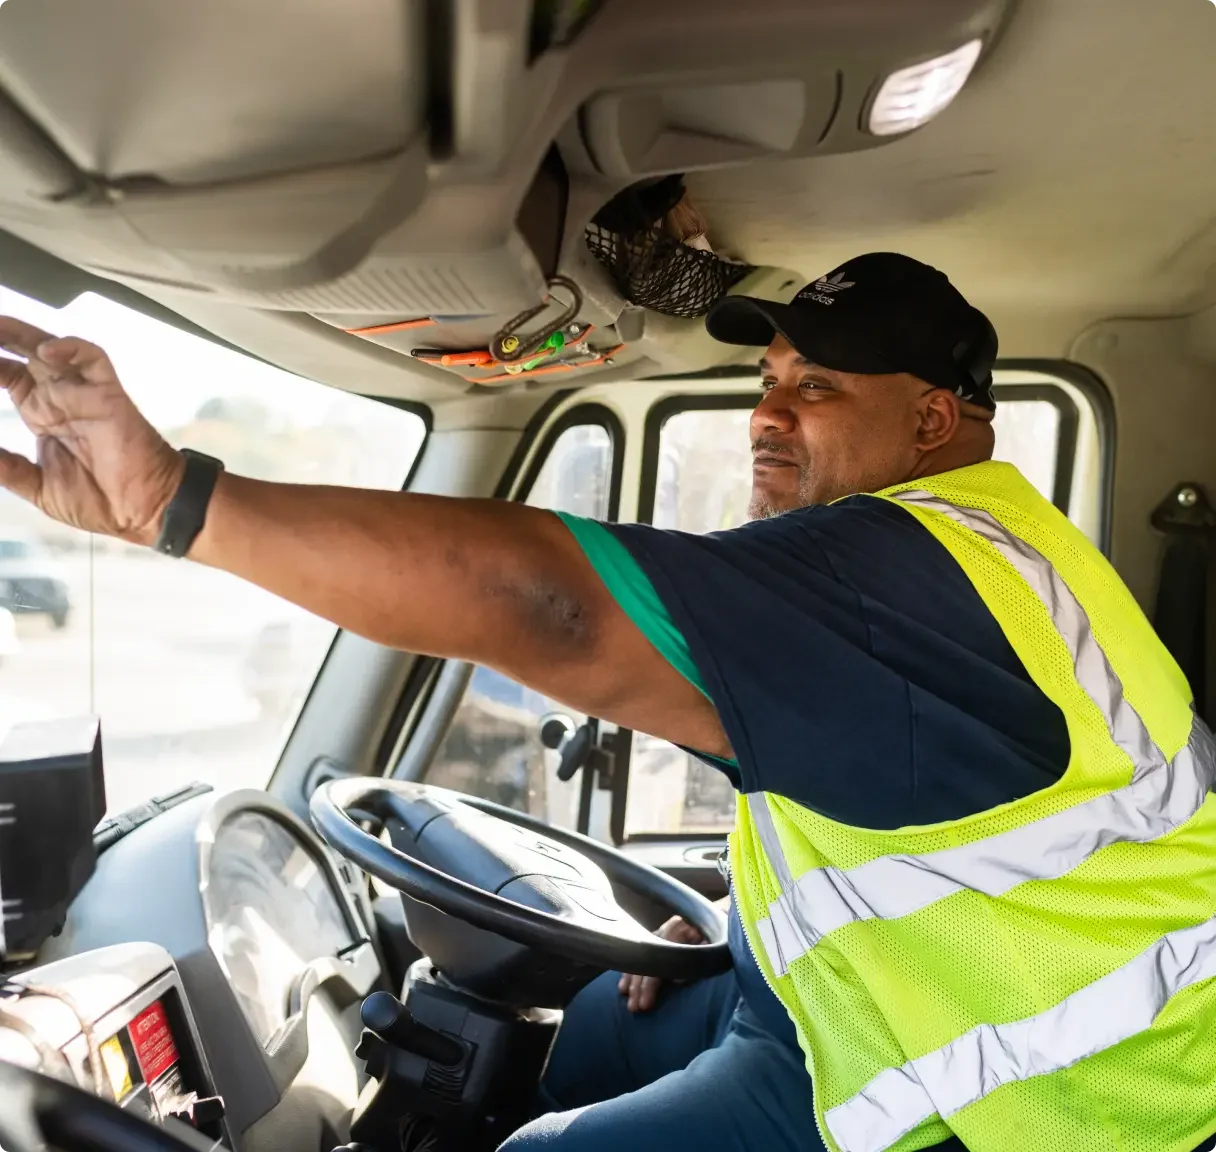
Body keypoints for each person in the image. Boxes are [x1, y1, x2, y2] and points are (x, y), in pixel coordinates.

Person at [0, 252, 1213, 1152]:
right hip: (879, 1002)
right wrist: (742, 924)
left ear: (935, 420)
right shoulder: (980, 562)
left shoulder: (914, 570)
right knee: (594, 1026)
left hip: (1040, 1101)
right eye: (770, 376)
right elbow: (925, 815)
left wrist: (175, 502)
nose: (769, 413)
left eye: (821, 388)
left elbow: (559, 610)